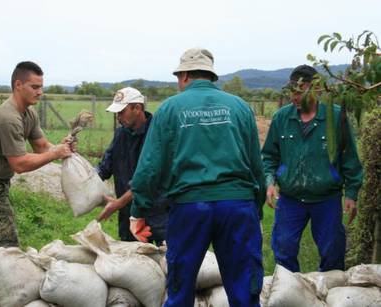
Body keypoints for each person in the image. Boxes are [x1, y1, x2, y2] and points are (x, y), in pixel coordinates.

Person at [129, 48, 266, 307]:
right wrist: (255, 207)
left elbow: (149, 167)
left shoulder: (170, 108)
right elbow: (255, 166)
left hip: (190, 207)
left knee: (180, 287)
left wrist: (139, 210)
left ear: (184, 76)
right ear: (210, 75)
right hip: (237, 206)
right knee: (244, 288)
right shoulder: (239, 107)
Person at [262, 65, 363, 272]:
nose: (294, 96)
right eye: (292, 91)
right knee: (284, 249)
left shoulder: (336, 118)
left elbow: (350, 157)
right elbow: (269, 156)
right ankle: (292, 292)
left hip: (327, 199)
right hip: (290, 199)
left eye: (300, 91)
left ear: (316, 90)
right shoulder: (282, 118)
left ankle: (329, 294)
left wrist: (352, 193)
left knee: (332, 251)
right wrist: (269, 181)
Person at [0, 61, 74, 247]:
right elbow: (19, 164)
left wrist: (60, 148)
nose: (40, 92)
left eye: (41, 87)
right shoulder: (8, 118)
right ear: (18, 85)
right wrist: (55, 153)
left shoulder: (29, 113)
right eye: (34, 87)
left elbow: (41, 146)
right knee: (7, 246)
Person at [96, 87, 169, 246]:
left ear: (137, 108)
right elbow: (104, 167)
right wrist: (82, 175)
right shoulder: (121, 135)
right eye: (116, 113)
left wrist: (119, 202)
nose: (118, 117)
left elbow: (150, 177)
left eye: (121, 112)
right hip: (128, 215)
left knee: (164, 260)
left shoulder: (158, 133)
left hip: (158, 215)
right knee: (132, 261)